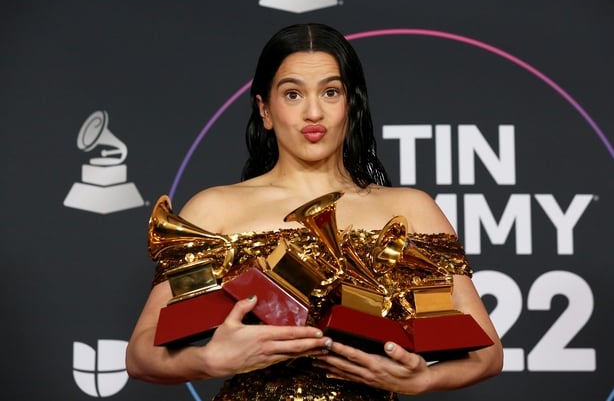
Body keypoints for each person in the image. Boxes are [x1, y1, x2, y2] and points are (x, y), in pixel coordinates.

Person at [126, 23, 503, 399]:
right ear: (265, 110)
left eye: (330, 92)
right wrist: (209, 360)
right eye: (292, 94)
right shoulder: (215, 210)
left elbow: (487, 354)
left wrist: (423, 380)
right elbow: (142, 354)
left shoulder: (411, 208)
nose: (313, 112)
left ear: (351, 105)